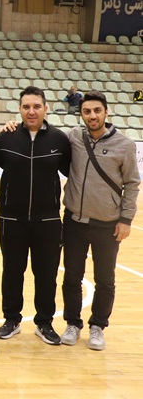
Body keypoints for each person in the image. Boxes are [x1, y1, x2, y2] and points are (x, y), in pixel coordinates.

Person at [0, 86, 71, 345]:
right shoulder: (7, 137)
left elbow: (74, 173)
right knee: (12, 271)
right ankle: (11, 319)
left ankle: (44, 323)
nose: (31, 111)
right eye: (26, 107)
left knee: (46, 274)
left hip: (48, 220)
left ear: (45, 108)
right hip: (11, 219)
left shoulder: (59, 140)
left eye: (36, 106)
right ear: (19, 110)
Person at [60, 90, 139, 350]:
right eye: (87, 111)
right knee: (72, 277)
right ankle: (72, 324)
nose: (92, 116)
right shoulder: (74, 137)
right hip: (74, 221)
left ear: (106, 112)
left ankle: (98, 326)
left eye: (96, 111)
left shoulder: (125, 145)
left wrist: (126, 219)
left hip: (107, 224)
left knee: (105, 279)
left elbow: (132, 183)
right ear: (81, 114)